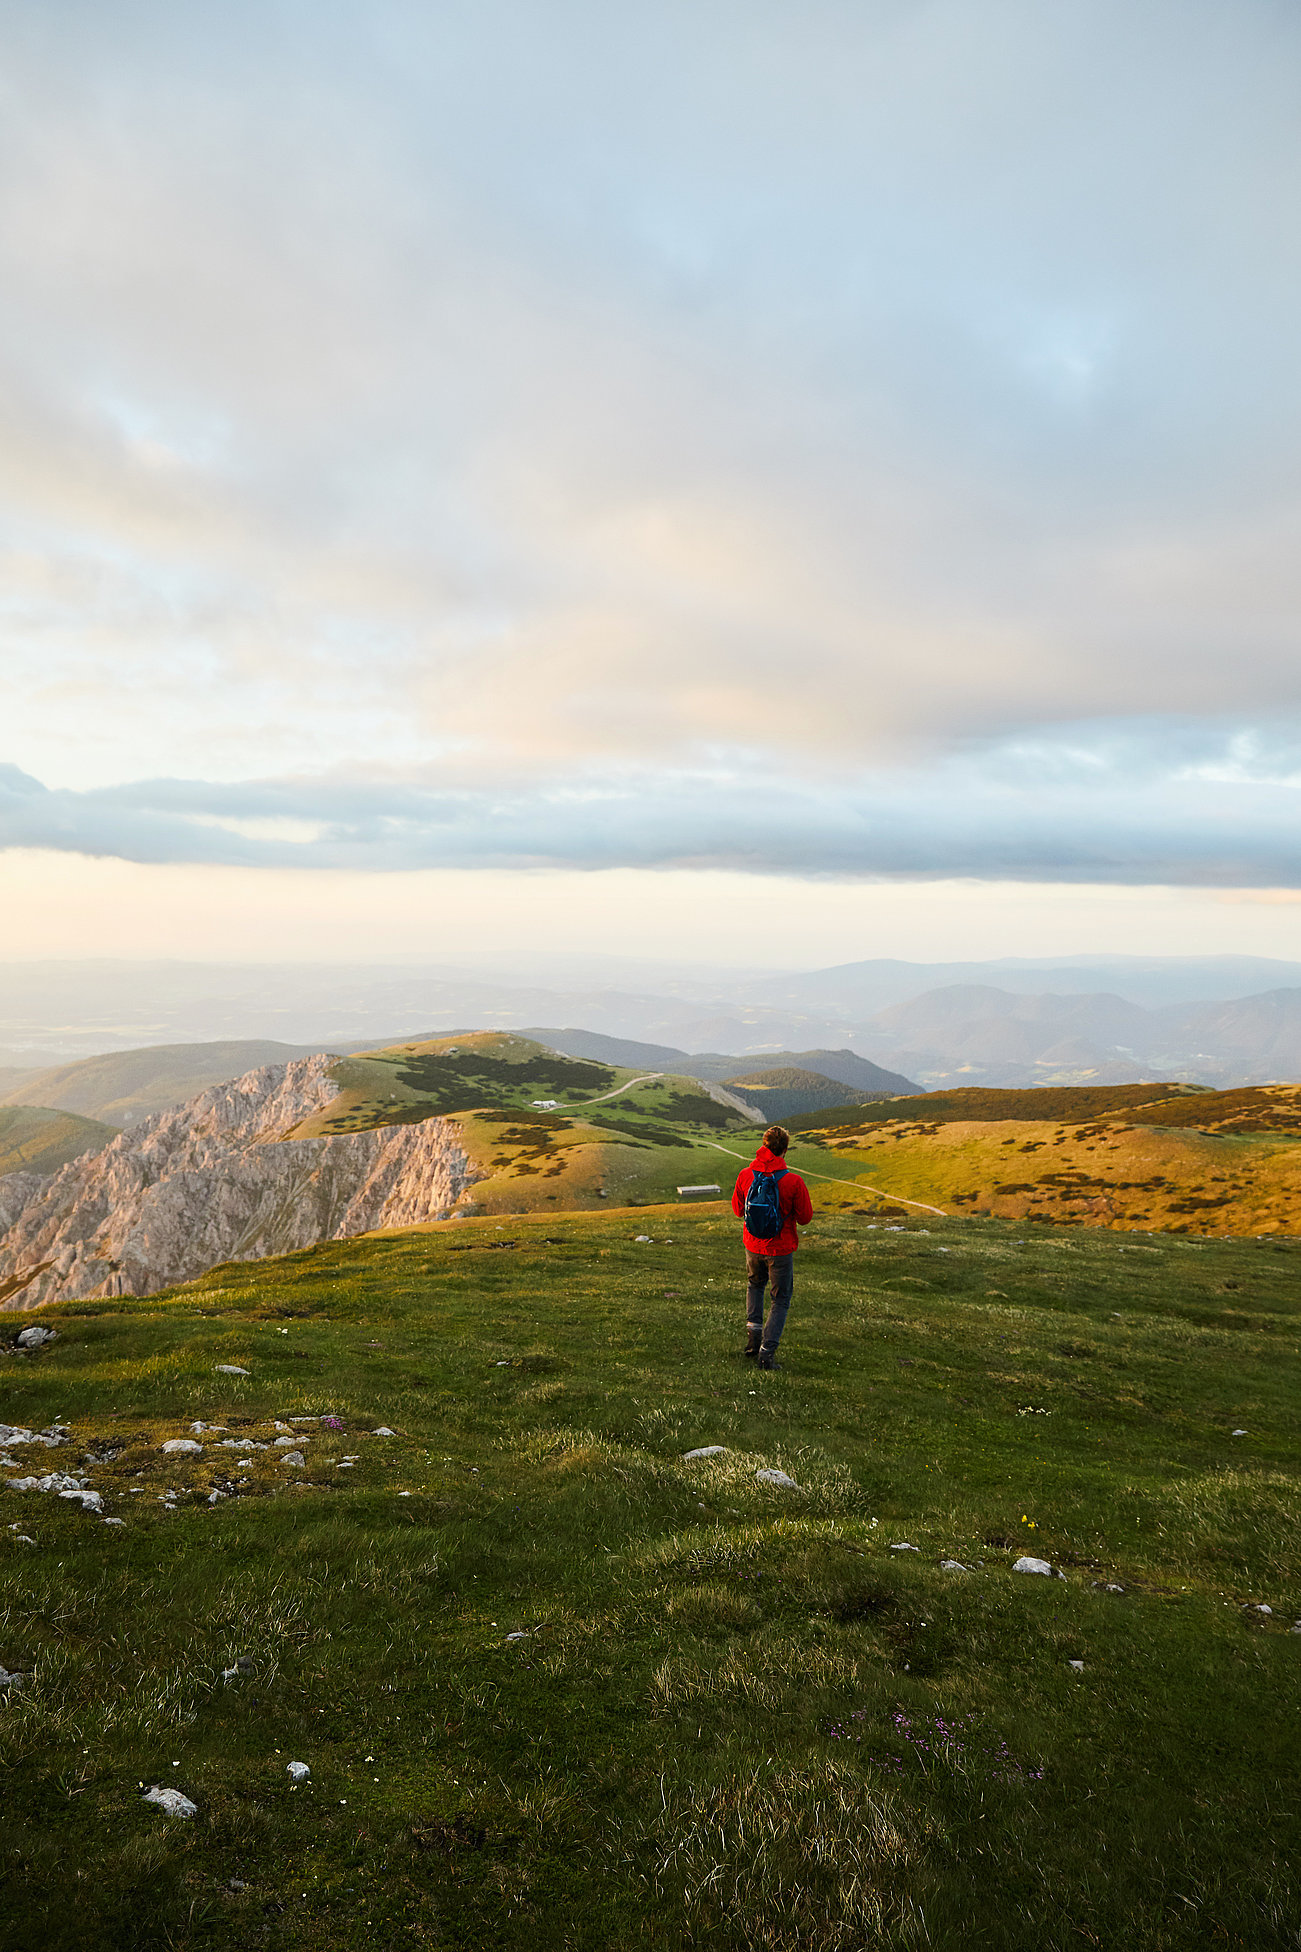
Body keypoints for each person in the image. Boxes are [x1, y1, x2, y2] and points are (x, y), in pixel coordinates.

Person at [731, 1124, 813, 1370]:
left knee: (754, 1286)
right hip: (780, 1249)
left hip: (752, 1245)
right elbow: (805, 1217)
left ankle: (753, 1341)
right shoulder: (793, 1181)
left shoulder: (746, 1175)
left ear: (763, 1146)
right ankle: (767, 1354)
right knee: (780, 1299)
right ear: (785, 1150)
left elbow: (738, 1211)